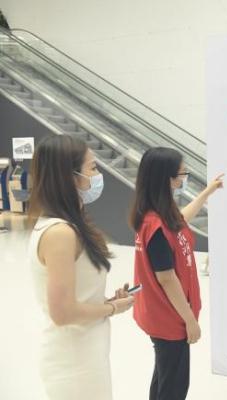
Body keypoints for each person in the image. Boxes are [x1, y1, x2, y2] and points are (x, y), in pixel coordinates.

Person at [27, 135, 134, 400]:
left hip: (88, 353)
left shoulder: (71, 226)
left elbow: (76, 298)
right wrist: (112, 308)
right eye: (93, 168)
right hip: (74, 363)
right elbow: (63, 313)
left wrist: (104, 302)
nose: (98, 176)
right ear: (70, 176)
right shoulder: (60, 233)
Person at [129, 147, 223, 400]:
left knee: (164, 376)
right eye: (182, 174)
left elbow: (181, 220)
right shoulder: (156, 226)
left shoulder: (159, 214)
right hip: (169, 317)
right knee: (174, 386)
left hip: (163, 313)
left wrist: (207, 193)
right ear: (167, 178)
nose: (184, 178)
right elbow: (167, 279)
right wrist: (190, 321)